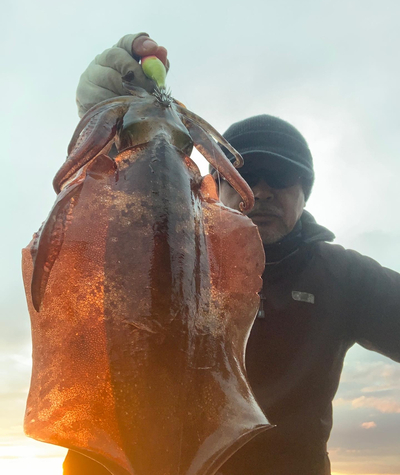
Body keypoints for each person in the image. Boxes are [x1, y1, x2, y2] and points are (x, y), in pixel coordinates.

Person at [63, 34, 400, 475]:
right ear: (214, 185)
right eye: (241, 173)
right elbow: (109, 216)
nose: (259, 192)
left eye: (279, 177)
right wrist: (114, 125)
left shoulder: (342, 276)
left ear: (306, 193)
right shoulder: (165, 246)